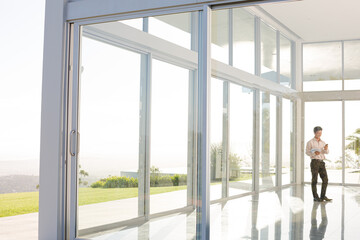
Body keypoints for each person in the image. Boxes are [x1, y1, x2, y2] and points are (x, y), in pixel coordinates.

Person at [306, 126, 332, 202]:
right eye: (318, 133)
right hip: (314, 162)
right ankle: (315, 197)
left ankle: (323, 196)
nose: (319, 134)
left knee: (325, 179)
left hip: (321, 162)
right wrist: (314, 153)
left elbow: (326, 152)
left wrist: (326, 149)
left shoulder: (323, 142)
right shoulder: (310, 142)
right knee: (314, 180)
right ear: (314, 133)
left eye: (320, 133)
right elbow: (307, 152)